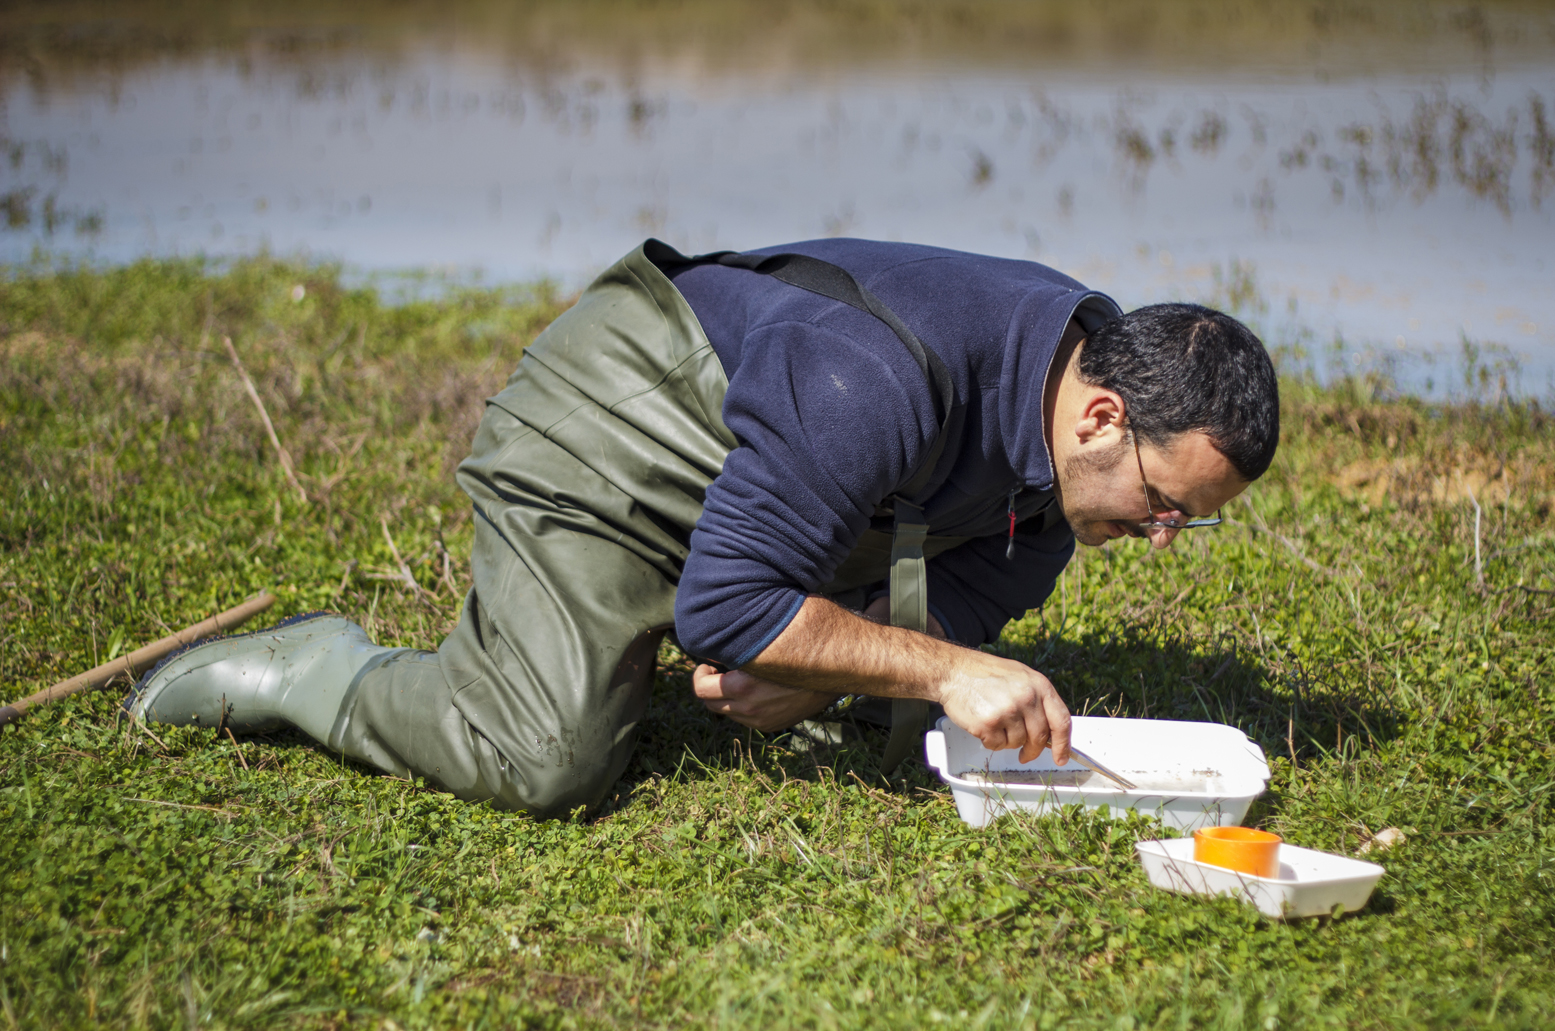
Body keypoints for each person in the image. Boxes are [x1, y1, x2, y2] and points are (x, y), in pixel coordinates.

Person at [127, 238, 1279, 818]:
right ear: (1101, 414)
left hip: (775, 460)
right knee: (548, 761)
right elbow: (725, 613)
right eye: (1164, 502)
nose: (1165, 533)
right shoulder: (873, 380)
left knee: (855, 693)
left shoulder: (1056, 468)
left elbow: (950, 595)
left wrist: (826, 672)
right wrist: (938, 667)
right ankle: (318, 668)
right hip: (611, 440)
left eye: (1188, 518)